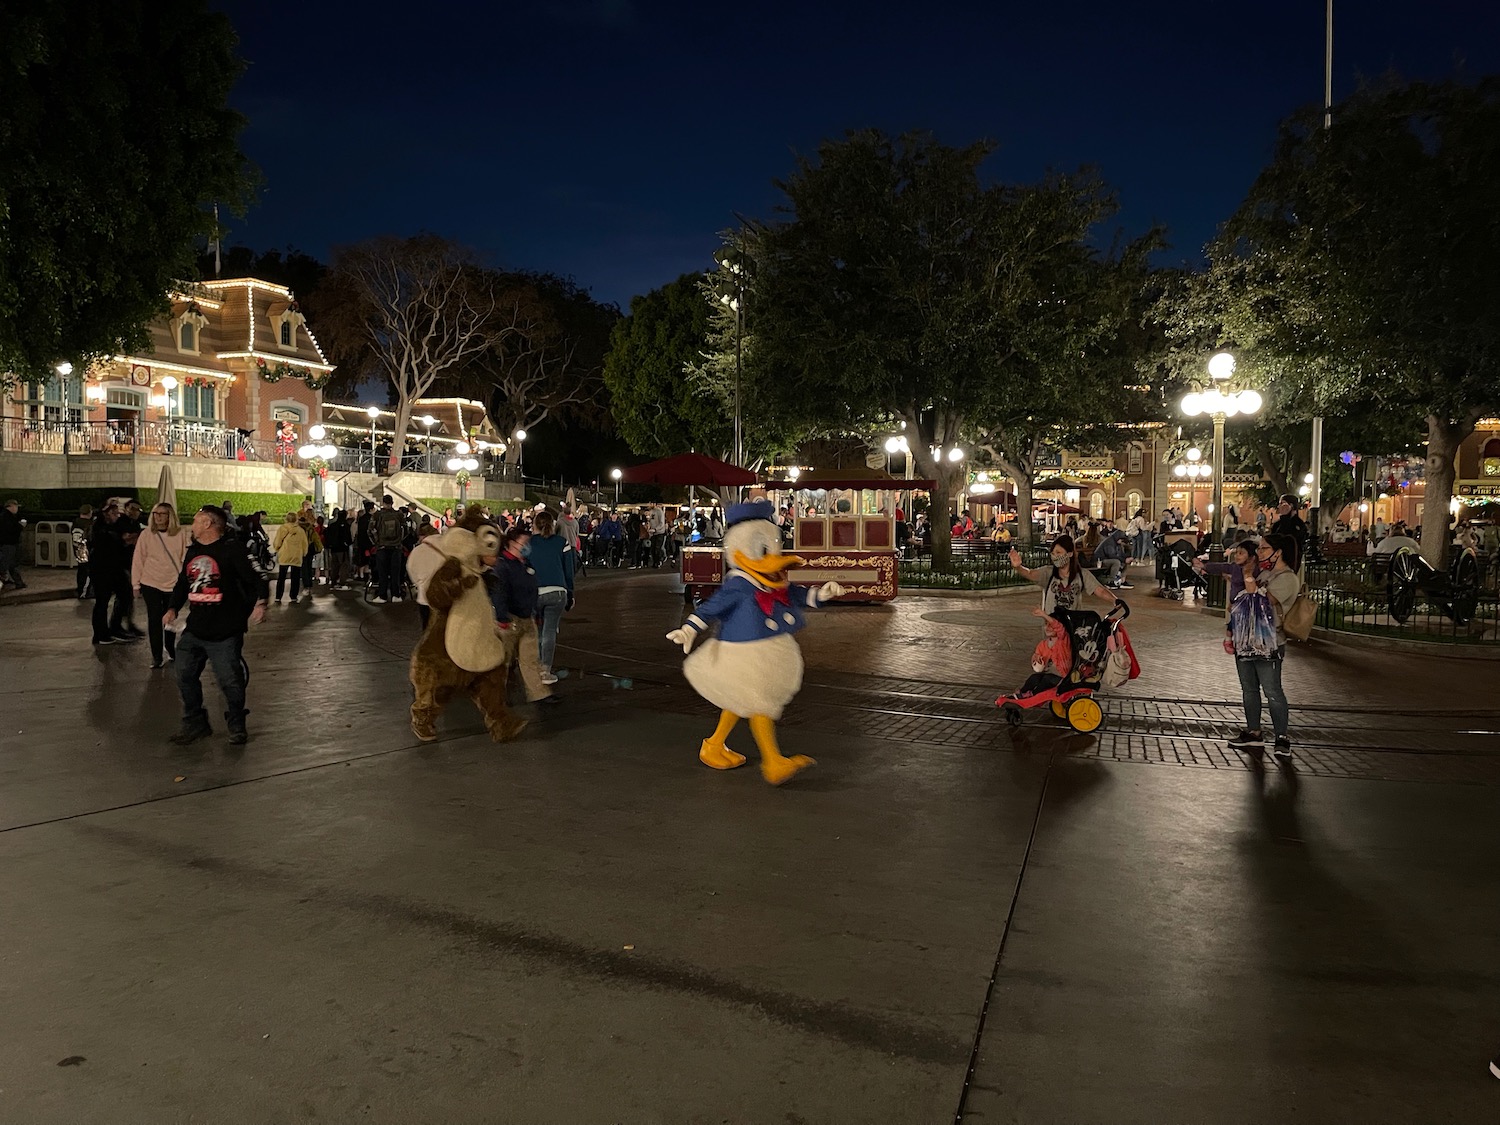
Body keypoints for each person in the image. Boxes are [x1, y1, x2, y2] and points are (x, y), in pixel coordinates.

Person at [164, 505, 269, 745]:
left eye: (196, 521)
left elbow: (258, 577)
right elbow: (183, 582)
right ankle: (195, 722)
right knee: (184, 675)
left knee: (230, 681)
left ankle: (236, 723)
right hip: (195, 629)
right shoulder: (194, 551)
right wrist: (172, 608)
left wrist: (261, 603)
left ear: (208, 524)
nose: (192, 525)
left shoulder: (233, 550)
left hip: (225, 631)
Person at [1226, 532, 1301, 762]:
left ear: (1279, 552)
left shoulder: (1287, 578)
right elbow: (1239, 603)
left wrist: (1248, 578)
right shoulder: (1264, 573)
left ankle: (1281, 737)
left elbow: (1262, 602)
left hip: (1270, 642)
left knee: (1272, 691)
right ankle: (1254, 732)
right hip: (1245, 640)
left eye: (1265, 549)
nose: (1259, 553)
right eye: (1259, 549)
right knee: (1249, 689)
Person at [490, 525, 555, 704]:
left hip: (527, 617)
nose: (527, 546)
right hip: (510, 619)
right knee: (502, 661)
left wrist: (536, 612)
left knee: (530, 659)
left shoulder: (524, 564)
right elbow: (499, 592)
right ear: (512, 543)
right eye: (524, 542)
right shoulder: (502, 566)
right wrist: (502, 618)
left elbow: (532, 590)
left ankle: (539, 694)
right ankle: (493, 695)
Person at [132, 501, 190, 668]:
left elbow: (184, 557)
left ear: (169, 516)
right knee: (154, 618)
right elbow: (138, 559)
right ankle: (156, 656)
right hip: (151, 581)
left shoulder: (180, 534)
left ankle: (171, 649)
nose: (157, 517)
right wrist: (135, 584)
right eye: (155, 514)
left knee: (170, 618)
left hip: (173, 583)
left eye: (162, 514)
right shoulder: (146, 534)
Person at [1009, 535, 1124, 614]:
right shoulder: (1048, 573)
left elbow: (1100, 590)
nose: (1055, 556)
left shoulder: (1082, 575)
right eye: (1053, 553)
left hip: (1072, 626)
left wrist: (1115, 600)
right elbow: (1030, 574)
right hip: (1052, 629)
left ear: (1069, 554)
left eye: (1058, 552)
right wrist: (1018, 567)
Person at [528, 509, 576, 685]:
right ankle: (545, 670)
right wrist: (570, 594)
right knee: (550, 630)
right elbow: (569, 571)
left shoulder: (529, 543)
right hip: (557, 591)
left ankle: (534, 665)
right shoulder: (562, 543)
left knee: (538, 630)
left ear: (535, 525)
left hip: (536, 592)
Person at [88, 501, 138, 645]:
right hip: (102, 569)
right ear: (106, 513)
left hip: (115, 568)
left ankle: (115, 627)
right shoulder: (99, 527)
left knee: (125, 594)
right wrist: (123, 540)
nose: (117, 515)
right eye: (113, 513)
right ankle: (100, 634)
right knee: (102, 602)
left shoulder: (114, 525)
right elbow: (104, 544)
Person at [405, 523, 446, 631]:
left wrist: (420, 583)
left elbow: (411, 569)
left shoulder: (417, 551)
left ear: (422, 536)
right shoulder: (447, 548)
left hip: (425, 595)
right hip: (445, 595)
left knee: (427, 629)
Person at [371, 495, 406, 602]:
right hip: (396, 547)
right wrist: (399, 541)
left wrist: (377, 543)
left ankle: (382, 595)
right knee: (395, 572)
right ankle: (396, 595)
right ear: (392, 502)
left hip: (382, 547)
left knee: (383, 573)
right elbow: (406, 529)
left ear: (383, 503)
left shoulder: (378, 515)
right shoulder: (399, 515)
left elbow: (370, 530)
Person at [271, 511, 309, 604]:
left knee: (281, 577)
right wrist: (303, 554)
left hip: (285, 555)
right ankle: (293, 596)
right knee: (295, 577)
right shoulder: (300, 530)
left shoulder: (282, 528)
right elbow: (305, 544)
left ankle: (278, 596)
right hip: (296, 556)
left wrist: (277, 548)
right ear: (296, 519)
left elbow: (278, 541)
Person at [1269, 494, 1310, 567]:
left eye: (1282, 503)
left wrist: (1285, 517)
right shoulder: (1277, 524)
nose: (1279, 507)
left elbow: (1288, 539)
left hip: (1290, 561)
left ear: (1291, 505)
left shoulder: (1299, 524)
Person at [1093, 522, 1134, 589]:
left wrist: (1127, 558)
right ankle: (1111, 581)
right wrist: (1124, 559)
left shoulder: (1117, 543)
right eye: (1121, 539)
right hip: (1099, 561)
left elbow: (1120, 554)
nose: (1121, 541)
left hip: (1106, 560)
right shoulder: (1109, 542)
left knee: (1124, 562)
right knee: (1116, 562)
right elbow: (1111, 555)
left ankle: (1122, 581)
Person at [0, 498, 27, 591]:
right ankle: (15, 582)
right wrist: (20, 526)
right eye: (15, 506)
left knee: (10, 564)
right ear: (11, 506)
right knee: (7, 565)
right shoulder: (6, 517)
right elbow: (11, 530)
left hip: (9, 543)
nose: (17, 509)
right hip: (8, 543)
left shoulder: (8, 516)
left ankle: (18, 582)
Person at [323, 508, 353, 589]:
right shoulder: (346, 525)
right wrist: (348, 543)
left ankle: (333, 581)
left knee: (334, 565)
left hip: (333, 549)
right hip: (343, 549)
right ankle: (342, 582)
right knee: (343, 565)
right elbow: (348, 537)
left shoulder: (332, 525)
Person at [72, 504, 94, 598]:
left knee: (81, 570)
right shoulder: (89, 524)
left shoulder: (75, 523)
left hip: (77, 549)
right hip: (87, 551)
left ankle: (80, 590)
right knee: (88, 572)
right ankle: (85, 592)